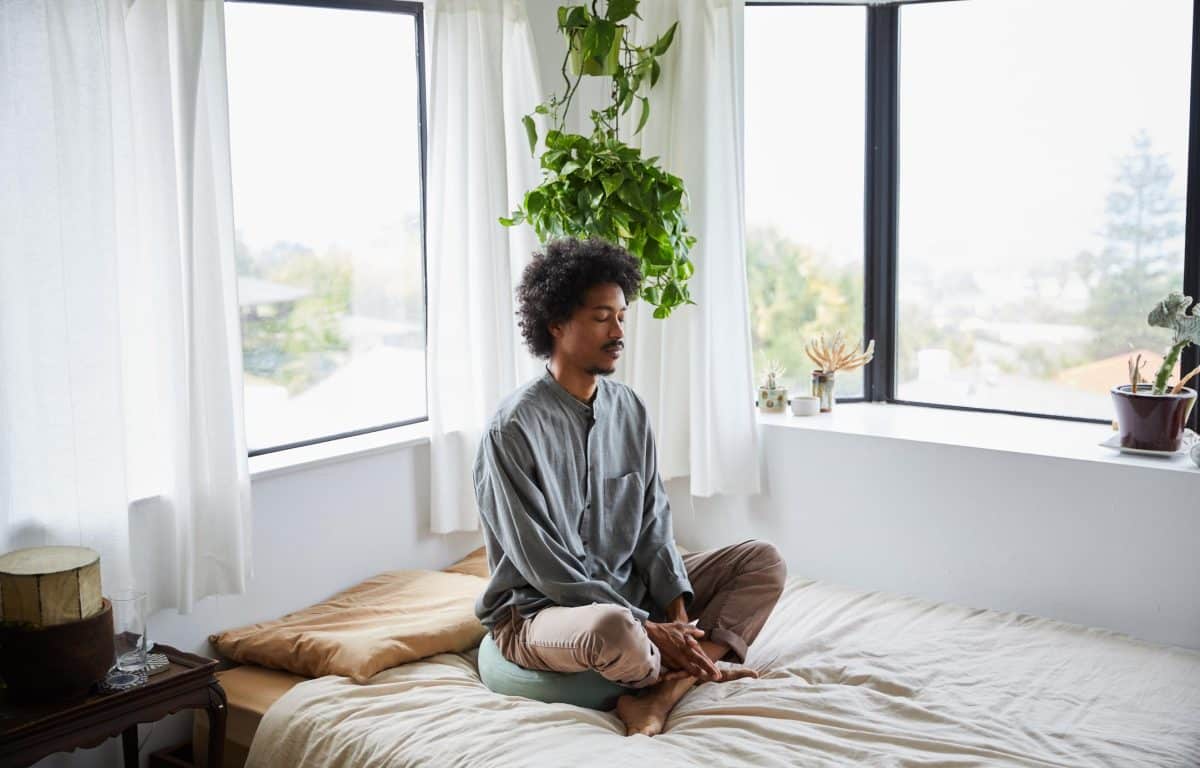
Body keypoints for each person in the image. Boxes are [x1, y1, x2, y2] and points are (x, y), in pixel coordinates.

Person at [473, 237, 787, 737]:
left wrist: (678, 614)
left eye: (621, 316)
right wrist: (647, 624)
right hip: (541, 613)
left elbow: (653, 523)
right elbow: (548, 571)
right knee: (613, 629)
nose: (618, 331)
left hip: (631, 592)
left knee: (762, 560)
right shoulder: (512, 430)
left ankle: (669, 685)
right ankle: (680, 666)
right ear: (555, 324)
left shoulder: (630, 408)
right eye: (602, 317)